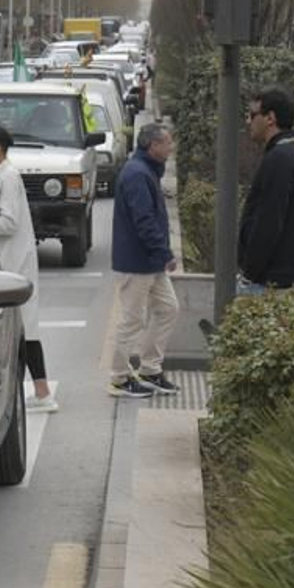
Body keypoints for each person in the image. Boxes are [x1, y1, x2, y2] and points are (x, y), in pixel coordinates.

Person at [0, 123, 55, 412]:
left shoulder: (8, 178)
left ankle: (42, 393)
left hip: (13, 265)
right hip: (6, 264)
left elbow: (9, 223)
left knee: (23, 330)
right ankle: (37, 391)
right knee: (19, 330)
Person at [107, 124, 180, 398]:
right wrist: (164, 253)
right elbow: (144, 220)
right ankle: (119, 377)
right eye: (167, 143)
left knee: (168, 309)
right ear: (153, 146)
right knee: (132, 320)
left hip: (148, 260)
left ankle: (150, 368)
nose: (171, 148)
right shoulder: (138, 174)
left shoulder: (146, 170)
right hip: (137, 261)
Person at [238, 88, 294, 294]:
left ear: (270, 118)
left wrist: (249, 272)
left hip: (268, 280)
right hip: (288, 275)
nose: (248, 122)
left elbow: (269, 219)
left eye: (252, 115)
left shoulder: (280, 158)